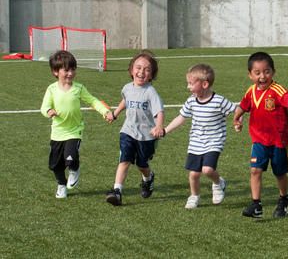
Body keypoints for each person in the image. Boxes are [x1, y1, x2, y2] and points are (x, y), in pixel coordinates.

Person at [233, 52, 288, 218]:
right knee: (255, 171)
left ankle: (283, 198)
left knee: (279, 173)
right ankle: (256, 205)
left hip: (278, 142)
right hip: (259, 141)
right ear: (250, 75)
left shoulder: (276, 90)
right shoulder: (250, 91)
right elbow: (243, 105)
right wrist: (236, 118)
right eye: (257, 73)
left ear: (273, 72)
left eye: (266, 72)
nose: (262, 76)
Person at [40, 50, 114, 198]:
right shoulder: (52, 89)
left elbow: (92, 100)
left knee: (70, 157)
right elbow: (44, 106)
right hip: (57, 133)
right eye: (66, 70)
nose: (70, 73)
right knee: (55, 166)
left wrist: (105, 111)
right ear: (55, 71)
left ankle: (75, 169)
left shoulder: (78, 88)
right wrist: (48, 111)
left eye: (73, 69)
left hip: (74, 131)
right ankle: (61, 185)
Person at [163, 64, 235, 209]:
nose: (188, 87)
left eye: (191, 83)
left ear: (205, 84)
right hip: (196, 142)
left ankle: (218, 183)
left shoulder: (219, 101)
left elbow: (236, 110)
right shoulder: (191, 101)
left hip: (214, 141)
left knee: (207, 170)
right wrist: (165, 130)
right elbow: (181, 117)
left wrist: (238, 122)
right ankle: (194, 196)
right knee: (194, 174)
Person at [105, 50, 165, 206]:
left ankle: (148, 177)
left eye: (146, 69)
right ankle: (117, 191)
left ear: (151, 75)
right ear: (131, 70)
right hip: (128, 131)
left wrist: (159, 126)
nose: (141, 72)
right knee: (124, 160)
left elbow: (159, 111)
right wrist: (115, 113)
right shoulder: (127, 88)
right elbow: (125, 100)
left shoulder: (151, 92)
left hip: (146, 136)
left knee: (141, 164)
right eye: (138, 68)